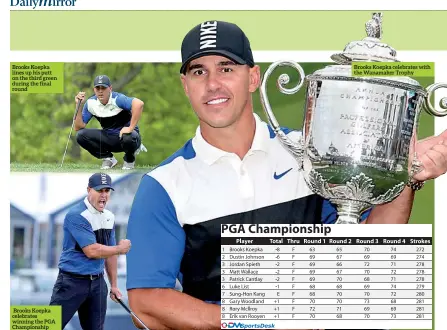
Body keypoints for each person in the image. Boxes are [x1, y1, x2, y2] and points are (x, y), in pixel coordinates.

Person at [125, 21, 447, 330]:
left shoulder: (315, 151)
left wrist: (406, 171)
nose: (212, 84)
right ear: (185, 85)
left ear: (253, 78)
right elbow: (146, 304)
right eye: (199, 71)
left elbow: (365, 254)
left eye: (226, 68)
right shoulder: (164, 186)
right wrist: (261, 318)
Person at [50, 173, 132, 330]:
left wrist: (114, 285)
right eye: (99, 190)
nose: (103, 195)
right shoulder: (76, 215)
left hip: (97, 284)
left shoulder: (109, 217)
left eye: (107, 191)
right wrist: (120, 249)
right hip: (71, 283)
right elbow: (92, 251)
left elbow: (110, 253)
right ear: (89, 190)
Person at [74, 75, 146, 170]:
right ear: (94, 89)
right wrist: (79, 105)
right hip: (109, 138)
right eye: (97, 88)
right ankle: (108, 158)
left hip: (129, 139)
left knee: (128, 136)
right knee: (80, 135)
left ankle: (129, 159)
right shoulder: (91, 103)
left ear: (110, 88)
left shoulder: (117, 99)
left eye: (103, 88)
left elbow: (139, 104)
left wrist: (130, 128)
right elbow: (78, 127)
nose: (100, 91)